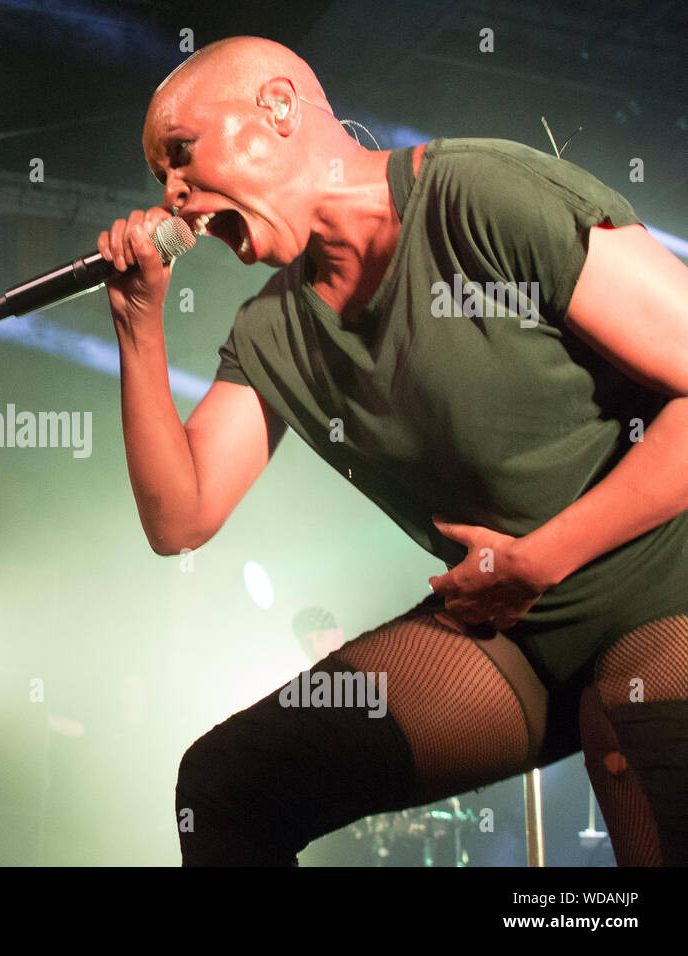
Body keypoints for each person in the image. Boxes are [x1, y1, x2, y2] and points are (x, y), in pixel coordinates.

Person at [98, 36, 688, 866]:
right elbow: (180, 517)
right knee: (226, 788)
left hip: (664, 576)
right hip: (512, 624)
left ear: (277, 107)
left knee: (633, 748)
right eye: (161, 176)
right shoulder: (274, 330)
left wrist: (545, 556)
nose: (172, 195)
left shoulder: (478, 193)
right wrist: (138, 328)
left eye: (182, 156)